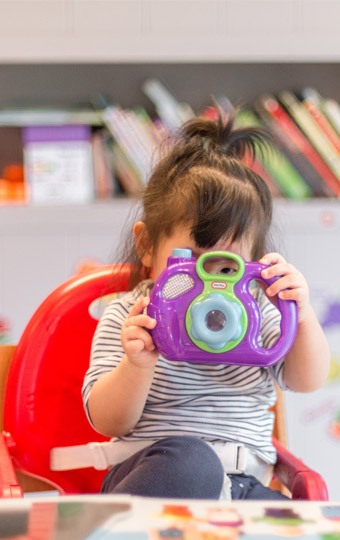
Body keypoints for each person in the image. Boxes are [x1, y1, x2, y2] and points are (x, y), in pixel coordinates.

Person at [82, 110, 330, 500]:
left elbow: (307, 380)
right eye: (192, 260)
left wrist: (301, 314)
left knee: (295, 523)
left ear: (253, 263)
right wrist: (137, 365)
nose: (209, 284)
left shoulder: (257, 312)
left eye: (226, 266)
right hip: (159, 476)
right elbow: (106, 419)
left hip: (245, 485)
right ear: (147, 246)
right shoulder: (131, 317)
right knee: (192, 462)